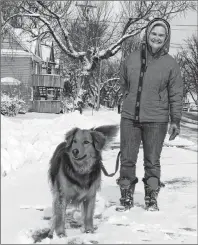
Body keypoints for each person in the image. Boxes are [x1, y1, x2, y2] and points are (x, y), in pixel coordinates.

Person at [116, 18, 183, 212]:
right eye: (154, 33)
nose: (157, 37)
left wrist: (175, 120)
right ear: (147, 33)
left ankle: (151, 197)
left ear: (166, 38)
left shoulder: (171, 64)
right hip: (130, 118)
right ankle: (126, 196)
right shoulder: (132, 58)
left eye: (161, 35)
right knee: (127, 159)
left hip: (157, 120)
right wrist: (129, 98)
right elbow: (124, 82)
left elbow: (176, 94)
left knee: (152, 161)